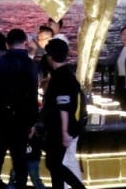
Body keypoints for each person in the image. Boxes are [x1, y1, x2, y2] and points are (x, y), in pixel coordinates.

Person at [0, 28, 38, 189]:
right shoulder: (30, 64)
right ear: (24, 42)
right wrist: (33, 121)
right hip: (22, 118)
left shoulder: (1, 62)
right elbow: (32, 94)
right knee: (20, 158)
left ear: (7, 44)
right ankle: (21, 184)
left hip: (1, 116)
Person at [41, 38, 85, 189]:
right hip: (64, 128)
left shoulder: (60, 77)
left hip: (59, 129)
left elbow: (63, 107)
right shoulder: (67, 75)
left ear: (50, 57)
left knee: (53, 163)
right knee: (55, 164)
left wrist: (64, 132)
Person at [107, 26, 126, 108]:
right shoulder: (119, 50)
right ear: (120, 36)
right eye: (123, 34)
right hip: (119, 81)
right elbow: (109, 61)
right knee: (118, 105)